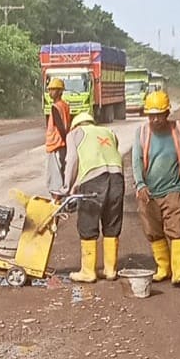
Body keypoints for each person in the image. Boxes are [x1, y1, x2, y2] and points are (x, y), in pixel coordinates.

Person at [133, 90, 180, 286]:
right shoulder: (141, 133)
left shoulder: (179, 130)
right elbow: (136, 161)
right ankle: (163, 268)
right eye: (151, 115)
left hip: (173, 190)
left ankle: (179, 272)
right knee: (153, 230)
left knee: (177, 230)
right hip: (148, 192)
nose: (155, 119)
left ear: (167, 113)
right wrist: (140, 184)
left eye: (159, 115)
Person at [60, 112, 124, 283]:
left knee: (88, 221)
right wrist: (78, 183)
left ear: (75, 125)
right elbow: (102, 158)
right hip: (117, 178)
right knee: (111, 221)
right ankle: (110, 270)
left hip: (94, 181)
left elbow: (72, 160)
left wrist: (66, 186)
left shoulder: (75, 133)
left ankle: (88, 271)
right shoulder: (108, 132)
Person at [44, 77, 72, 200]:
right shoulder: (65, 105)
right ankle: (63, 196)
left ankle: (58, 198)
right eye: (49, 90)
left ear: (60, 91)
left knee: (56, 174)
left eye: (53, 90)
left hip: (56, 144)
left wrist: (64, 141)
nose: (50, 93)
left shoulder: (55, 107)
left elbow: (60, 126)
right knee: (62, 171)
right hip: (62, 144)